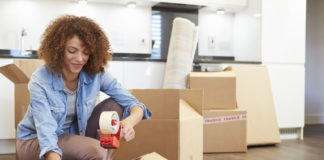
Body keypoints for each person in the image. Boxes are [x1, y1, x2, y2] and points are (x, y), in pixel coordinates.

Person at [16, 15, 152, 160]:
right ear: (59, 50)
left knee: (116, 104)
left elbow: (136, 105)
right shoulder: (41, 79)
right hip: (35, 141)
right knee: (96, 150)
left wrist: (128, 123)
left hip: (74, 136)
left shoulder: (96, 74)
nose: (80, 59)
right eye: (72, 51)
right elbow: (47, 134)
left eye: (85, 52)